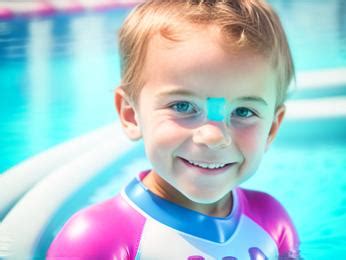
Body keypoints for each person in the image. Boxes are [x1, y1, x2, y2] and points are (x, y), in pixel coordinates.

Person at [47, 0, 300, 259]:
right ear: (131, 114)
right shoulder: (97, 239)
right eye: (182, 106)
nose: (214, 137)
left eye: (244, 112)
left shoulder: (272, 222)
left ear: (271, 129)